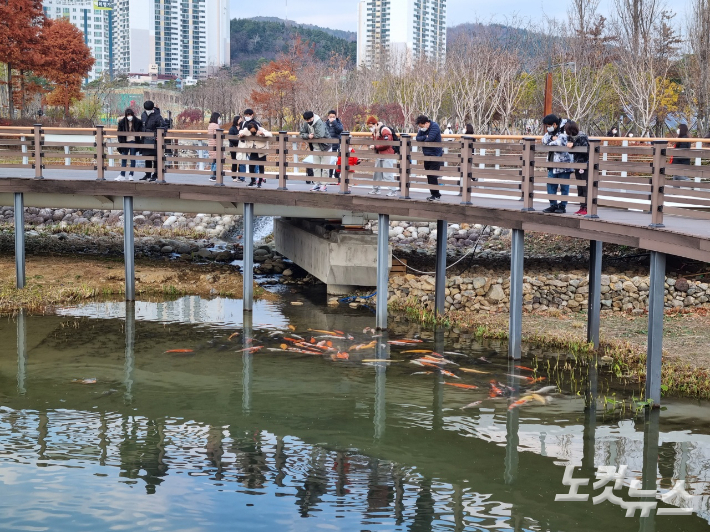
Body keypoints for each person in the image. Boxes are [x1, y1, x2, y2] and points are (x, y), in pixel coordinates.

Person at [541, 113, 572, 213]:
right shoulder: (551, 132)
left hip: (564, 162)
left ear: (554, 124)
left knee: (564, 186)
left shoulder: (567, 127)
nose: (547, 128)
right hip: (552, 162)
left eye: (548, 126)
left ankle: (562, 206)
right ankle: (553, 205)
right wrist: (551, 139)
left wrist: (552, 141)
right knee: (551, 184)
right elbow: (543, 139)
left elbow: (561, 142)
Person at [365, 116, 398, 196]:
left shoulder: (384, 130)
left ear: (375, 124)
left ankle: (393, 191)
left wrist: (375, 146)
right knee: (377, 173)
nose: (370, 128)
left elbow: (387, 143)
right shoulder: (375, 131)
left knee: (387, 173)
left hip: (387, 154)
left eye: (370, 126)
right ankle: (376, 189)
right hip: (380, 154)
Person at [299, 111, 330, 192]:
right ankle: (316, 183)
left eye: (310, 119)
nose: (309, 121)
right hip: (315, 147)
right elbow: (301, 133)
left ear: (313, 117)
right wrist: (308, 136)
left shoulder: (319, 122)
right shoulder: (306, 124)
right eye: (307, 120)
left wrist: (311, 136)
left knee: (325, 167)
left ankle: (324, 185)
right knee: (316, 167)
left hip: (325, 147)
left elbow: (320, 134)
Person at [415, 115, 443, 201]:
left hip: (435, 154)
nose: (421, 128)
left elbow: (430, 138)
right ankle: (434, 194)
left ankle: (436, 195)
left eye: (422, 126)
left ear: (427, 123)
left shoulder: (434, 126)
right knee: (429, 174)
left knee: (432, 175)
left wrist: (425, 138)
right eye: (420, 127)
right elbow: (417, 138)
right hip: (426, 154)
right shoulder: (423, 129)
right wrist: (425, 137)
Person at [565, 121, 590, 216]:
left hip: (585, 164)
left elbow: (585, 150)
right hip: (577, 164)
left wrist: (574, 145)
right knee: (579, 187)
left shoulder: (582, 136)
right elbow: (571, 152)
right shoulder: (569, 137)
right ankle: (581, 206)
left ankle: (587, 207)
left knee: (585, 187)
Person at [239, 120, 273, 187]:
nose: (253, 132)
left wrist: (262, 133)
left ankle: (259, 182)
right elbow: (241, 131)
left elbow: (270, 134)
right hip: (252, 151)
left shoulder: (260, 129)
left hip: (261, 151)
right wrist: (241, 134)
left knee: (261, 167)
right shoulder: (247, 130)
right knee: (251, 167)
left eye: (254, 131)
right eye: (251, 131)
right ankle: (252, 181)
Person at [140, 100, 166, 181]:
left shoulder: (157, 116)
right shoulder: (143, 115)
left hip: (154, 139)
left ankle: (155, 174)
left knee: (155, 158)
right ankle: (147, 174)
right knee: (147, 157)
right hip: (145, 138)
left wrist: (159, 135)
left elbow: (164, 126)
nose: (147, 111)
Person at [115, 108, 142, 181]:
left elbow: (142, 130)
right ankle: (122, 174)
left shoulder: (137, 121)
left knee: (132, 158)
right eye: (128, 115)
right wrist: (121, 141)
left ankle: (131, 174)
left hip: (133, 141)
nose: (129, 116)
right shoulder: (122, 122)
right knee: (124, 158)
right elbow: (119, 133)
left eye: (130, 115)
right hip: (125, 141)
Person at [325, 110, 344, 180]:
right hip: (327, 145)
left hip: (336, 145)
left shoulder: (338, 123)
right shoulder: (325, 124)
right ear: (328, 117)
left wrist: (334, 123)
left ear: (336, 117)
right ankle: (329, 176)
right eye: (330, 117)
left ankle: (337, 175)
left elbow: (340, 130)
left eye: (333, 117)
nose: (332, 118)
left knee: (336, 161)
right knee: (329, 161)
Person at [228, 115, 246, 182]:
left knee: (241, 161)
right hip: (234, 147)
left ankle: (240, 176)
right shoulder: (232, 128)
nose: (241, 121)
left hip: (241, 147)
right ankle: (234, 176)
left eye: (241, 120)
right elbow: (230, 138)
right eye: (239, 120)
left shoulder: (242, 128)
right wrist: (238, 141)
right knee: (234, 161)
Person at [207, 112, 221, 182]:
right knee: (217, 161)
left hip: (210, 144)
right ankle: (214, 176)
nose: (220, 119)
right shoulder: (216, 125)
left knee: (213, 161)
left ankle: (212, 175)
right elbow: (217, 136)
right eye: (219, 118)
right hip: (215, 145)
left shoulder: (210, 125)